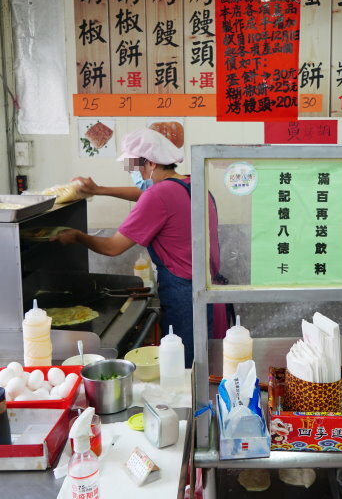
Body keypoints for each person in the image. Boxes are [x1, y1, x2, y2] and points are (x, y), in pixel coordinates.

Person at [52, 128, 220, 366]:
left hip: (182, 292)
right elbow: (146, 193)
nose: (133, 172)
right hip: (204, 286)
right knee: (199, 360)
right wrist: (100, 190)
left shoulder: (158, 195)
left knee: (183, 365)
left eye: (134, 166)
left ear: (150, 163)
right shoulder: (190, 183)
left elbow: (112, 247)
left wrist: (78, 236)